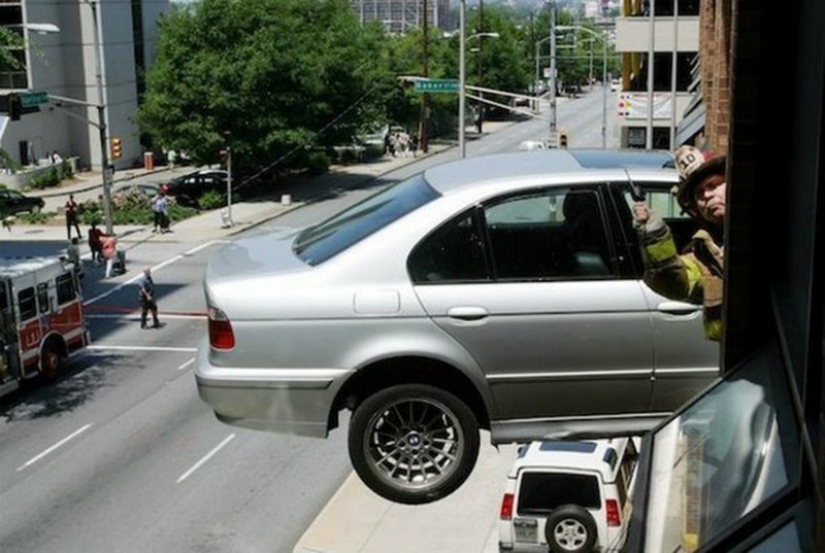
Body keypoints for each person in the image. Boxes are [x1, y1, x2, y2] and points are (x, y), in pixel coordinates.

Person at [632, 145, 727, 341]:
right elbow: (676, 283)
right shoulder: (704, 253)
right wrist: (653, 234)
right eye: (699, 193)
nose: (707, 195)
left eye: (714, 185)